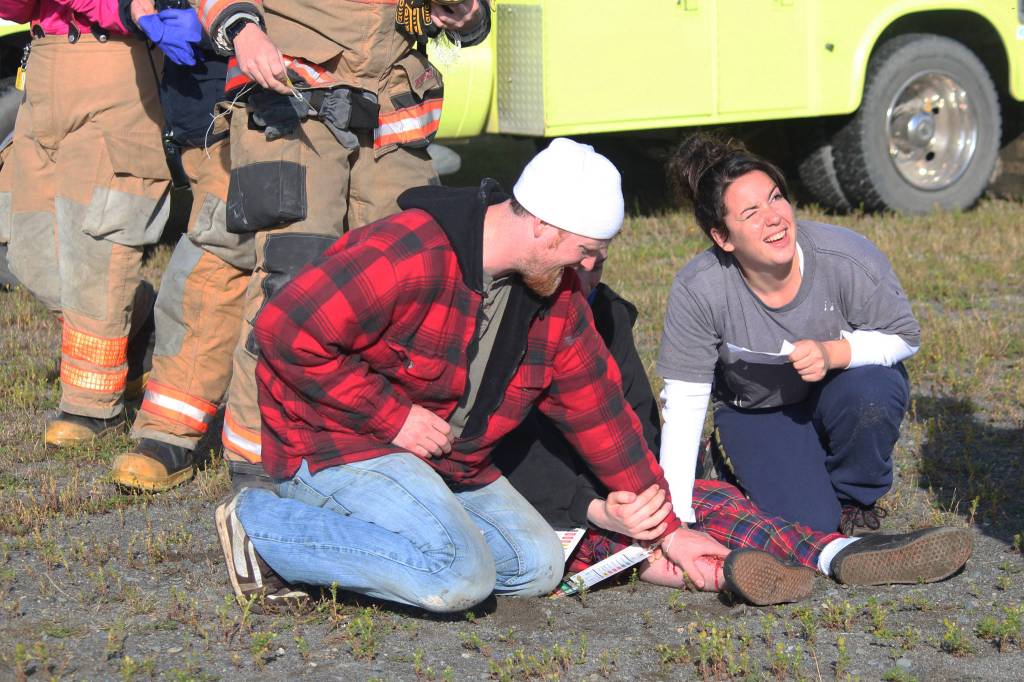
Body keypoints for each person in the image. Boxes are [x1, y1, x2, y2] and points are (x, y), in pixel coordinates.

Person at [215, 139, 739, 613]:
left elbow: (599, 410)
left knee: (537, 566)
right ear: (542, 225)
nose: (589, 265)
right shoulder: (411, 250)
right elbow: (284, 329)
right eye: (585, 250)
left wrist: (670, 531)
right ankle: (260, 527)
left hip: (449, 463)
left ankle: (386, 551)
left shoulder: (558, 295)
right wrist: (392, 415)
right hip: (340, 444)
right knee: (458, 575)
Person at [495, 251, 972, 605]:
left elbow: (636, 416)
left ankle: (836, 554)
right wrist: (594, 505)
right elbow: (506, 451)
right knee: (581, 542)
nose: (587, 271)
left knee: (710, 503)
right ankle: (728, 571)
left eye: (598, 261)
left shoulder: (605, 313)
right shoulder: (506, 327)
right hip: (544, 496)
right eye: (577, 259)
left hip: (610, 481)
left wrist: (650, 496)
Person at [191, 0, 491, 491]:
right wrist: (242, 29)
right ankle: (257, 454)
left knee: (409, 283)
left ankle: (374, 441)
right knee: (292, 276)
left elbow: (472, 20)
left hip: (392, 111)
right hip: (289, 96)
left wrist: (469, 15)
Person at [657, 135, 919, 535]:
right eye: (751, 213)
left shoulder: (846, 256)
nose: (774, 217)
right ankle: (727, 464)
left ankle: (855, 499)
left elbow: (904, 336)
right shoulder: (699, 288)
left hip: (836, 394)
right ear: (722, 237)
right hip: (758, 411)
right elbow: (685, 399)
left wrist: (833, 353)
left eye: (776, 198)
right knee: (812, 526)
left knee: (873, 389)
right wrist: (675, 517)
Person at [0, 0, 171, 447]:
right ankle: (141, 321)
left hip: (115, 65)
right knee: (28, 249)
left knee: (98, 249)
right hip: (43, 69)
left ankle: (92, 409)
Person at [109, 0, 249, 491]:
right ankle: (173, 428)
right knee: (217, 260)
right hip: (209, 115)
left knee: (219, 270)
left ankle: (175, 434)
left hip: (277, 108)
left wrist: (223, 28)